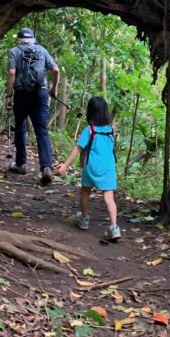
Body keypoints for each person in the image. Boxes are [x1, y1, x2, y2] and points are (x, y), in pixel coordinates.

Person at [57, 96, 120, 240]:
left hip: (92, 166)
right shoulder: (111, 130)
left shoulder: (89, 129)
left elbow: (77, 148)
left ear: (90, 112)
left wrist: (65, 165)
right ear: (105, 112)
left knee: (85, 191)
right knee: (109, 197)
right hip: (108, 167)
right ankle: (114, 228)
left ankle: (84, 219)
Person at [5, 26, 60, 186]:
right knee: (41, 130)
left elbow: (12, 73)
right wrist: (53, 89)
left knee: (20, 127)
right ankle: (46, 167)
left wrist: (9, 96)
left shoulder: (14, 51)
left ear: (19, 40)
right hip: (40, 93)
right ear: (33, 39)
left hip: (22, 94)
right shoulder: (41, 50)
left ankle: (21, 164)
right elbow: (55, 70)